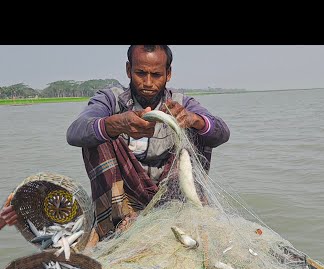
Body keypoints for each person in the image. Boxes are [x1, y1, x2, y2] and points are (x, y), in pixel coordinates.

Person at [66, 45, 230, 240]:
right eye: (140, 73)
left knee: (200, 130)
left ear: (168, 74)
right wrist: (117, 124)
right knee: (95, 134)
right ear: (129, 70)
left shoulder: (180, 102)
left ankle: (184, 210)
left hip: (171, 192)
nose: (148, 82)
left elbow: (222, 132)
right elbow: (75, 132)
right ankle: (119, 221)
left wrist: (194, 119)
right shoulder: (111, 99)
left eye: (156, 75)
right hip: (125, 198)